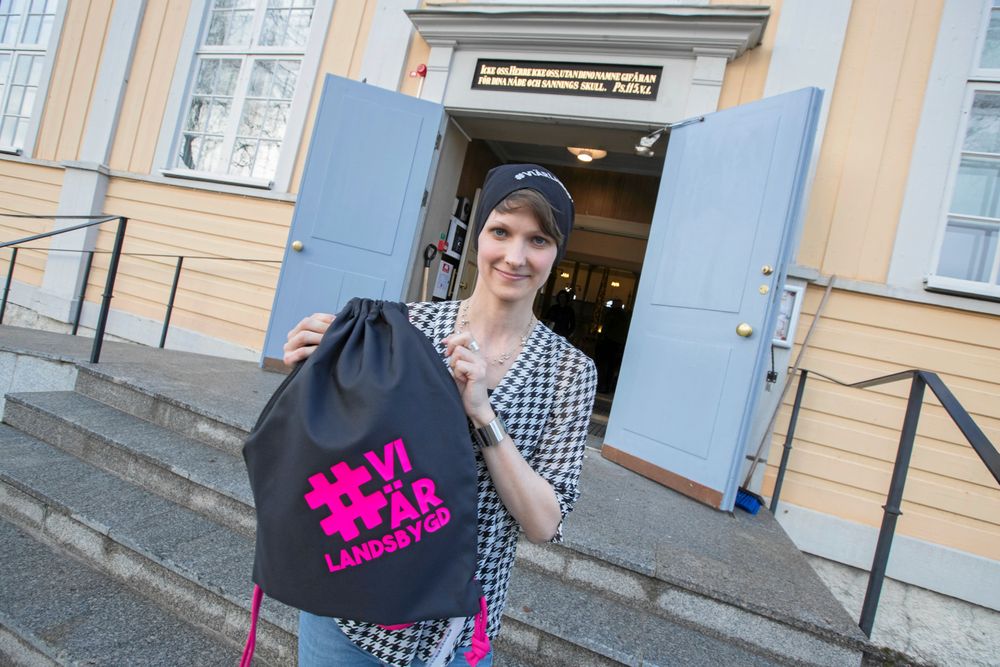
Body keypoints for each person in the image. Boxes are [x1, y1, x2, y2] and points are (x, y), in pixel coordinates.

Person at [282, 164, 598, 667]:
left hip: (454, 636)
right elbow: (338, 449)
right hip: (348, 611)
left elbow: (543, 521)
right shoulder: (405, 327)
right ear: (478, 239)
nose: (515, 257)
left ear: (557, 253)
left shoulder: (570, 372)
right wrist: (312, 375)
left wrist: (481, 412)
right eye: (501, 232)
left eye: (537, 240)